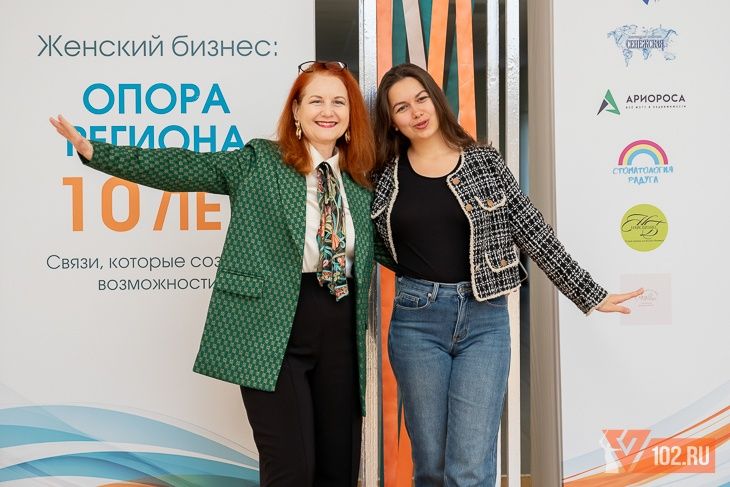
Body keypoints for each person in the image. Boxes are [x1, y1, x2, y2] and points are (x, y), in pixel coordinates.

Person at [51, 60, 376, 487]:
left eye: (338, 102)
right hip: (270, 327)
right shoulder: (259, 161)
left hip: (340, 326)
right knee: (291, 470)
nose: (327, 110)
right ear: (296, 110)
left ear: (351, 114)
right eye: (316, 100)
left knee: (339, 467)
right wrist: (96, 151)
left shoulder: (361, 180)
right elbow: (182, 166)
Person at [370, 63, 643, 486]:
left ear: (436, 100)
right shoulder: (383, 178)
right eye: (401, 107)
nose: (416, 112)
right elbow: (371, 244)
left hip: (485, 321)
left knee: (469, 467)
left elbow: (531, 229)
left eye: (421, 99)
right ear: (392, 121)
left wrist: (590, 293)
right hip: (417, 322)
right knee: (432, 466)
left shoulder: (484, 163)